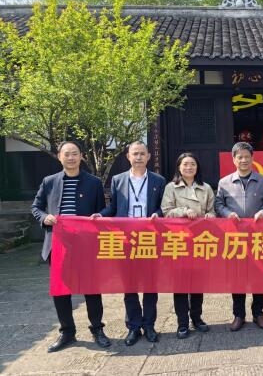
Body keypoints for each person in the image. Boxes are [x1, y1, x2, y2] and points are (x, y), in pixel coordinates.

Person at [31, 141, 111, 353]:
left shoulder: (93, 182)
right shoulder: (49, 181)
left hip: (86, 244)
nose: (71, 158)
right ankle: (67, 331)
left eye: (75, 154)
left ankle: (97, 329)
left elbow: (102, 210)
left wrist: (99, 216)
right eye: (67, 154)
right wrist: (44, 217)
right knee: (61, 290)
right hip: (58, 245)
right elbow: (36, 207)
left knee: (91, 289)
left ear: (81, 156)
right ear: (59, 157)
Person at [95, 141, 166, 345]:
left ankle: (149, 325)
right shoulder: (118, 180)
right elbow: (114, 208)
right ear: (128, 156)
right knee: (129, 285)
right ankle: (134, 327)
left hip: (149, 239)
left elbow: (163, 207)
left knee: (150, 285)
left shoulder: (159, 180)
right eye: (135, 154)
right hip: (125, 239)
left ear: (149, 156)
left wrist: (158, 213)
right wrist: (100, 215)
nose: (138, 157)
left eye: (142, 153)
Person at [214, 142, 263, 331]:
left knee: (259, 276)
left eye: (247, 157)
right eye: (240, 157)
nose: (244, 160)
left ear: (252, 158)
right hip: (235, 238)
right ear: (234, 159)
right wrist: (227, 214)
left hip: (257, 237)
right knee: (237, 276)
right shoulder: (224, 182)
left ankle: (258, 313)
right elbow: (218, 204)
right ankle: (238, 315)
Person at [161, 152, 214, 339]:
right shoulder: (171, 187)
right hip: (179, 242)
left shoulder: (206, 188)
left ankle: (197, 318)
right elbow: (166, 211)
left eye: (192, 164)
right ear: (179, 167)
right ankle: (182, 323)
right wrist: (184, 211)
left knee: (198, 283)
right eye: (185, 164)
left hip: (200, 241)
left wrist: (210, 216)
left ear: (197, 167)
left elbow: (212, 211)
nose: (189, 167)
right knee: (181, 284)